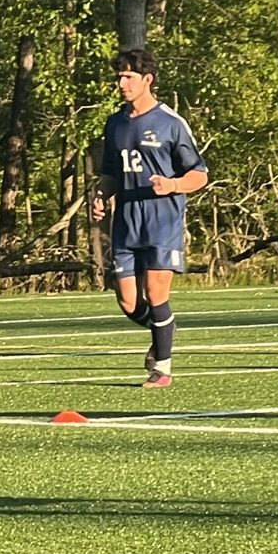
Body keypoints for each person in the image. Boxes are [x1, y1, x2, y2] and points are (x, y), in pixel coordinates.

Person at [92, 48, 208, 388]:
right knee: (128, 301)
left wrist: (172, 184)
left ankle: (163, 369)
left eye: (128, 76)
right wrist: (102, 195)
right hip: (126, 220)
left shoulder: (171, 123)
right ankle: (164, 329)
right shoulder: (114, 123)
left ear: (148, 80)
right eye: (118, 77)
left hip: (162, 220)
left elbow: (199, 175)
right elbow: (111, 173)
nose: (122, 83)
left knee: (157, 294)